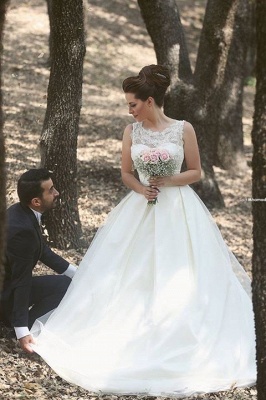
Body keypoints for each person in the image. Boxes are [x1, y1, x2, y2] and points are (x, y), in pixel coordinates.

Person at [30, 65, 256, 397]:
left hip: (179, 206)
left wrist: (168, 181)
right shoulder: (131, 132)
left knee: (181, 267)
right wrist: (141, 188)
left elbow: (194, 172)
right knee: (129, 269)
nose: (130, 110)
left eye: (133, 104)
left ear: (150, 101)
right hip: (141, 205)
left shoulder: (183, 129)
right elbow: (126, 173)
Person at [0, 168, 77, 353]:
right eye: (51, 190)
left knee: (70, 280)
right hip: (4, 292)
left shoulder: (21, 212)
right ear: (36, 201)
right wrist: (21, 331)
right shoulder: (22, 230)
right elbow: (21, 280)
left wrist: (80, 274)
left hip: (6, 285)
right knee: (65, 286)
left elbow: (42, 251)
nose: (56, 193)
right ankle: (24, 324)